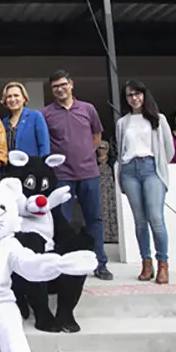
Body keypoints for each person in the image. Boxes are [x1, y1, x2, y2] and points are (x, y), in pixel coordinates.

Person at [41, 69, 112, 280]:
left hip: (89, 173)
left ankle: (100, 263)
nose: (60, 89)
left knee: (94, 219)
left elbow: (97, 135)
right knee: (62, 221)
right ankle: (64, 265)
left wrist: (87, 153)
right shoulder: (46, 114)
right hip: (61, 175)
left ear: (71, 84)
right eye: (55, 87)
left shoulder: (87, 109)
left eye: (63, 84)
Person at [114, 80, 175, 284]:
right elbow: (121, 148)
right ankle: (146, 262)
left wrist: (159, 164)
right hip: (129, 170)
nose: (134, 98)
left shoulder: (158, 119)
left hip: (151, 168)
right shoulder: (123, 123)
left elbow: (169, 149)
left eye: (137, 94)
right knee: (139, 220)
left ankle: (163, 264)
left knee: (156, 218)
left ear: (144, 95)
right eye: (130, 95)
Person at [1, 81, 49, 156]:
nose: (12, 99)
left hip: (32, 162)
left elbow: (44, 145)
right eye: (9, 96)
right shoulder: (3, 122)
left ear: (24, 98)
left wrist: (43, 162)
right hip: (9, 163)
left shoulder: (35, 116)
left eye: (16, 95)